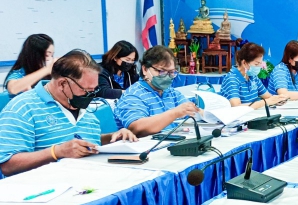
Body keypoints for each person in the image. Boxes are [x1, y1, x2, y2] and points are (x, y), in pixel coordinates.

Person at [0, 50, 137, 176]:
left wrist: (112, 138)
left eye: (94, 90)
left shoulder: (81, 105)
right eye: (86, 91)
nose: (90, 96)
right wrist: (56, 152)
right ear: (62, 84)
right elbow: (7, 165)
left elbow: (80, 142)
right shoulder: (22, 108)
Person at [114, 45, 198, 137]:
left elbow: (191, 113)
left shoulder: (171, 92)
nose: (167, 77)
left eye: (171, 72)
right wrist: (175, 113)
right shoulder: (133, 95)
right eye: (162, 72)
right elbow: (136, 128)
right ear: (145, 69)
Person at [220, 42, 288, 108]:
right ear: (244, 63)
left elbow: (268, 97)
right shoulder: (232, 79)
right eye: (256, 64)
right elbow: (236, 106)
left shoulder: (253, 77)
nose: (259, 67)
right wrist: (265, 102)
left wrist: (278, 99)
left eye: (260, 63)